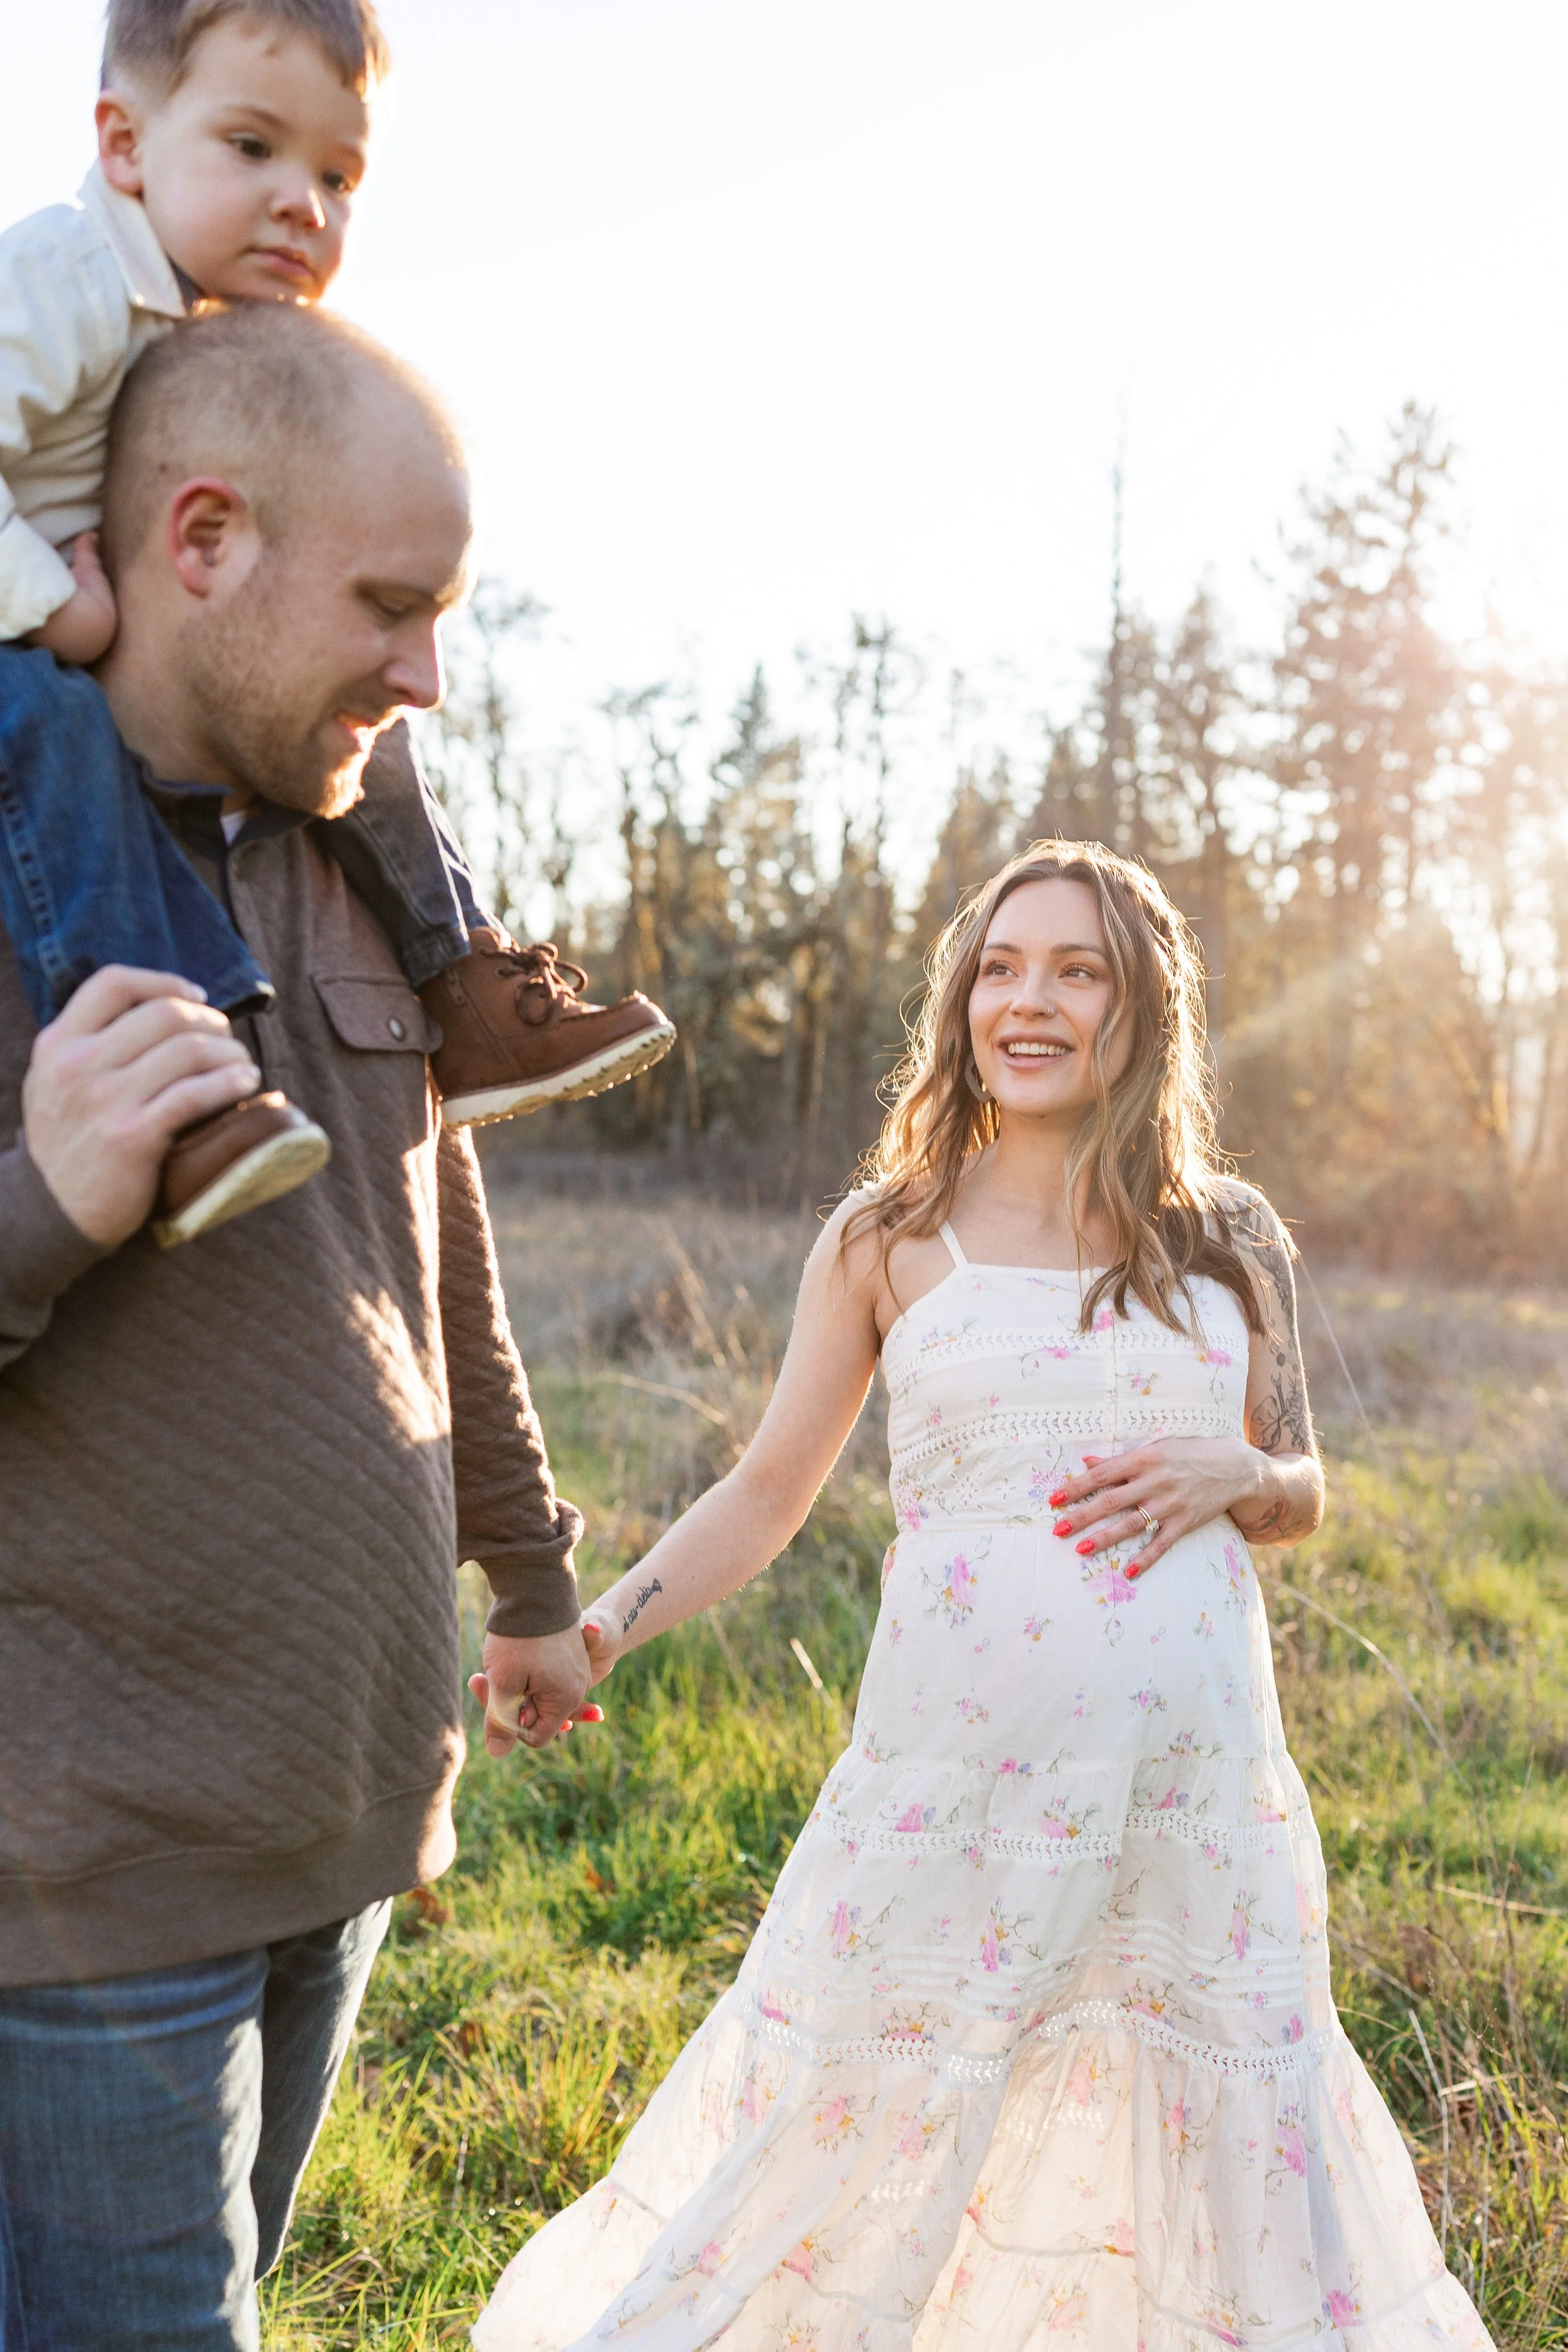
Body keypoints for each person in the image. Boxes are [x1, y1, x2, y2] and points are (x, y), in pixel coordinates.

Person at [475, 841, 1492, 2351]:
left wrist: (1240, 1472)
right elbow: (767, 1490)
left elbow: (1298, 1488)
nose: (1029, 1002)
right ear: (959, 1003)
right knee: (883, 2104)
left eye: (1076, 972)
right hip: (954, 1790)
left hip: (1189, 1808)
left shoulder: (1227, 1239)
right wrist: (606, 1622)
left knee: (1205, 2149)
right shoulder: (887, 1236)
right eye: (1000, 970)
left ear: (1142, 1011)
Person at [0, 300, 602, 2351]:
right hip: (85, 1876)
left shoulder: (355, 865)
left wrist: (529, 1568)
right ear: (203, 539)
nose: (426, 674)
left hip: (341, 1817)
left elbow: (437, 1254)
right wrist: (50, 1198)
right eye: (391, 605)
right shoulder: (22, 860)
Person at [0, 0, 674, 1246]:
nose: (304, 204)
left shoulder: (226, 333)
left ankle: (459, 979)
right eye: (254, 148)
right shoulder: (65, 275)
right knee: (53, 739)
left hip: (110, 611)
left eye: (338, 175)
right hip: (23, 626)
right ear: (125, 145)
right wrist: (56, 605)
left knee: (353, 694)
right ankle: (158, 1062)